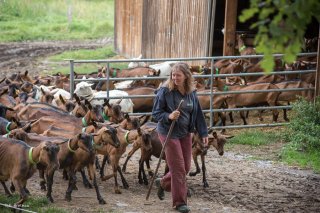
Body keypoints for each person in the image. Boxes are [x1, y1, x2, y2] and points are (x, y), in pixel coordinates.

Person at [152, 62, 208, 213]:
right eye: (173, 75)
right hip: (168, 132)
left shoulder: (191, 92)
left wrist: (203, 133)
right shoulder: (165, 91)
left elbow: (198, 114)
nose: (175, 78)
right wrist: (168, 116)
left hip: (185, 132)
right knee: (178, 169)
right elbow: (155, 113)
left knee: (186, 168)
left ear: (186, 76)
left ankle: (163, 182)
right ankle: (179, 203)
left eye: (178, 75)